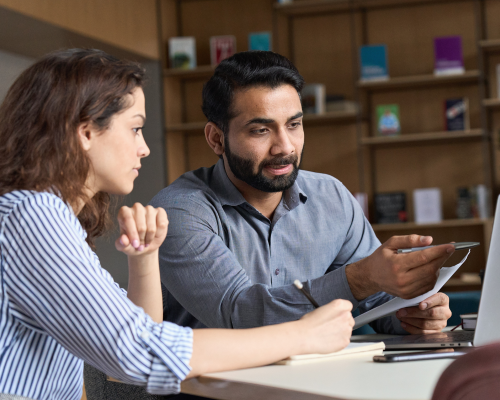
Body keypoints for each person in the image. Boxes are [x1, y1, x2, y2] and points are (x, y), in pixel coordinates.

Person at [0, 49, 355, 400]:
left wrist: (143, 260)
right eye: (135, 128)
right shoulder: (32, 216)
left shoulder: (43, 217)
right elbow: (139, 354)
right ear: (86, 132)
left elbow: (134, 342)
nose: (144, 149)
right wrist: (301, 336)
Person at [150, 51, 454, 334]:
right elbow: (241, 315)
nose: (285, 147)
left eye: (294, 124)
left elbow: (377, 304)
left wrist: (416, 313)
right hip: (211, 389)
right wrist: (360, 278)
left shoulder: (331, 197)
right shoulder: (179, 211)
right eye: (261, 130)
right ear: (217, 139)